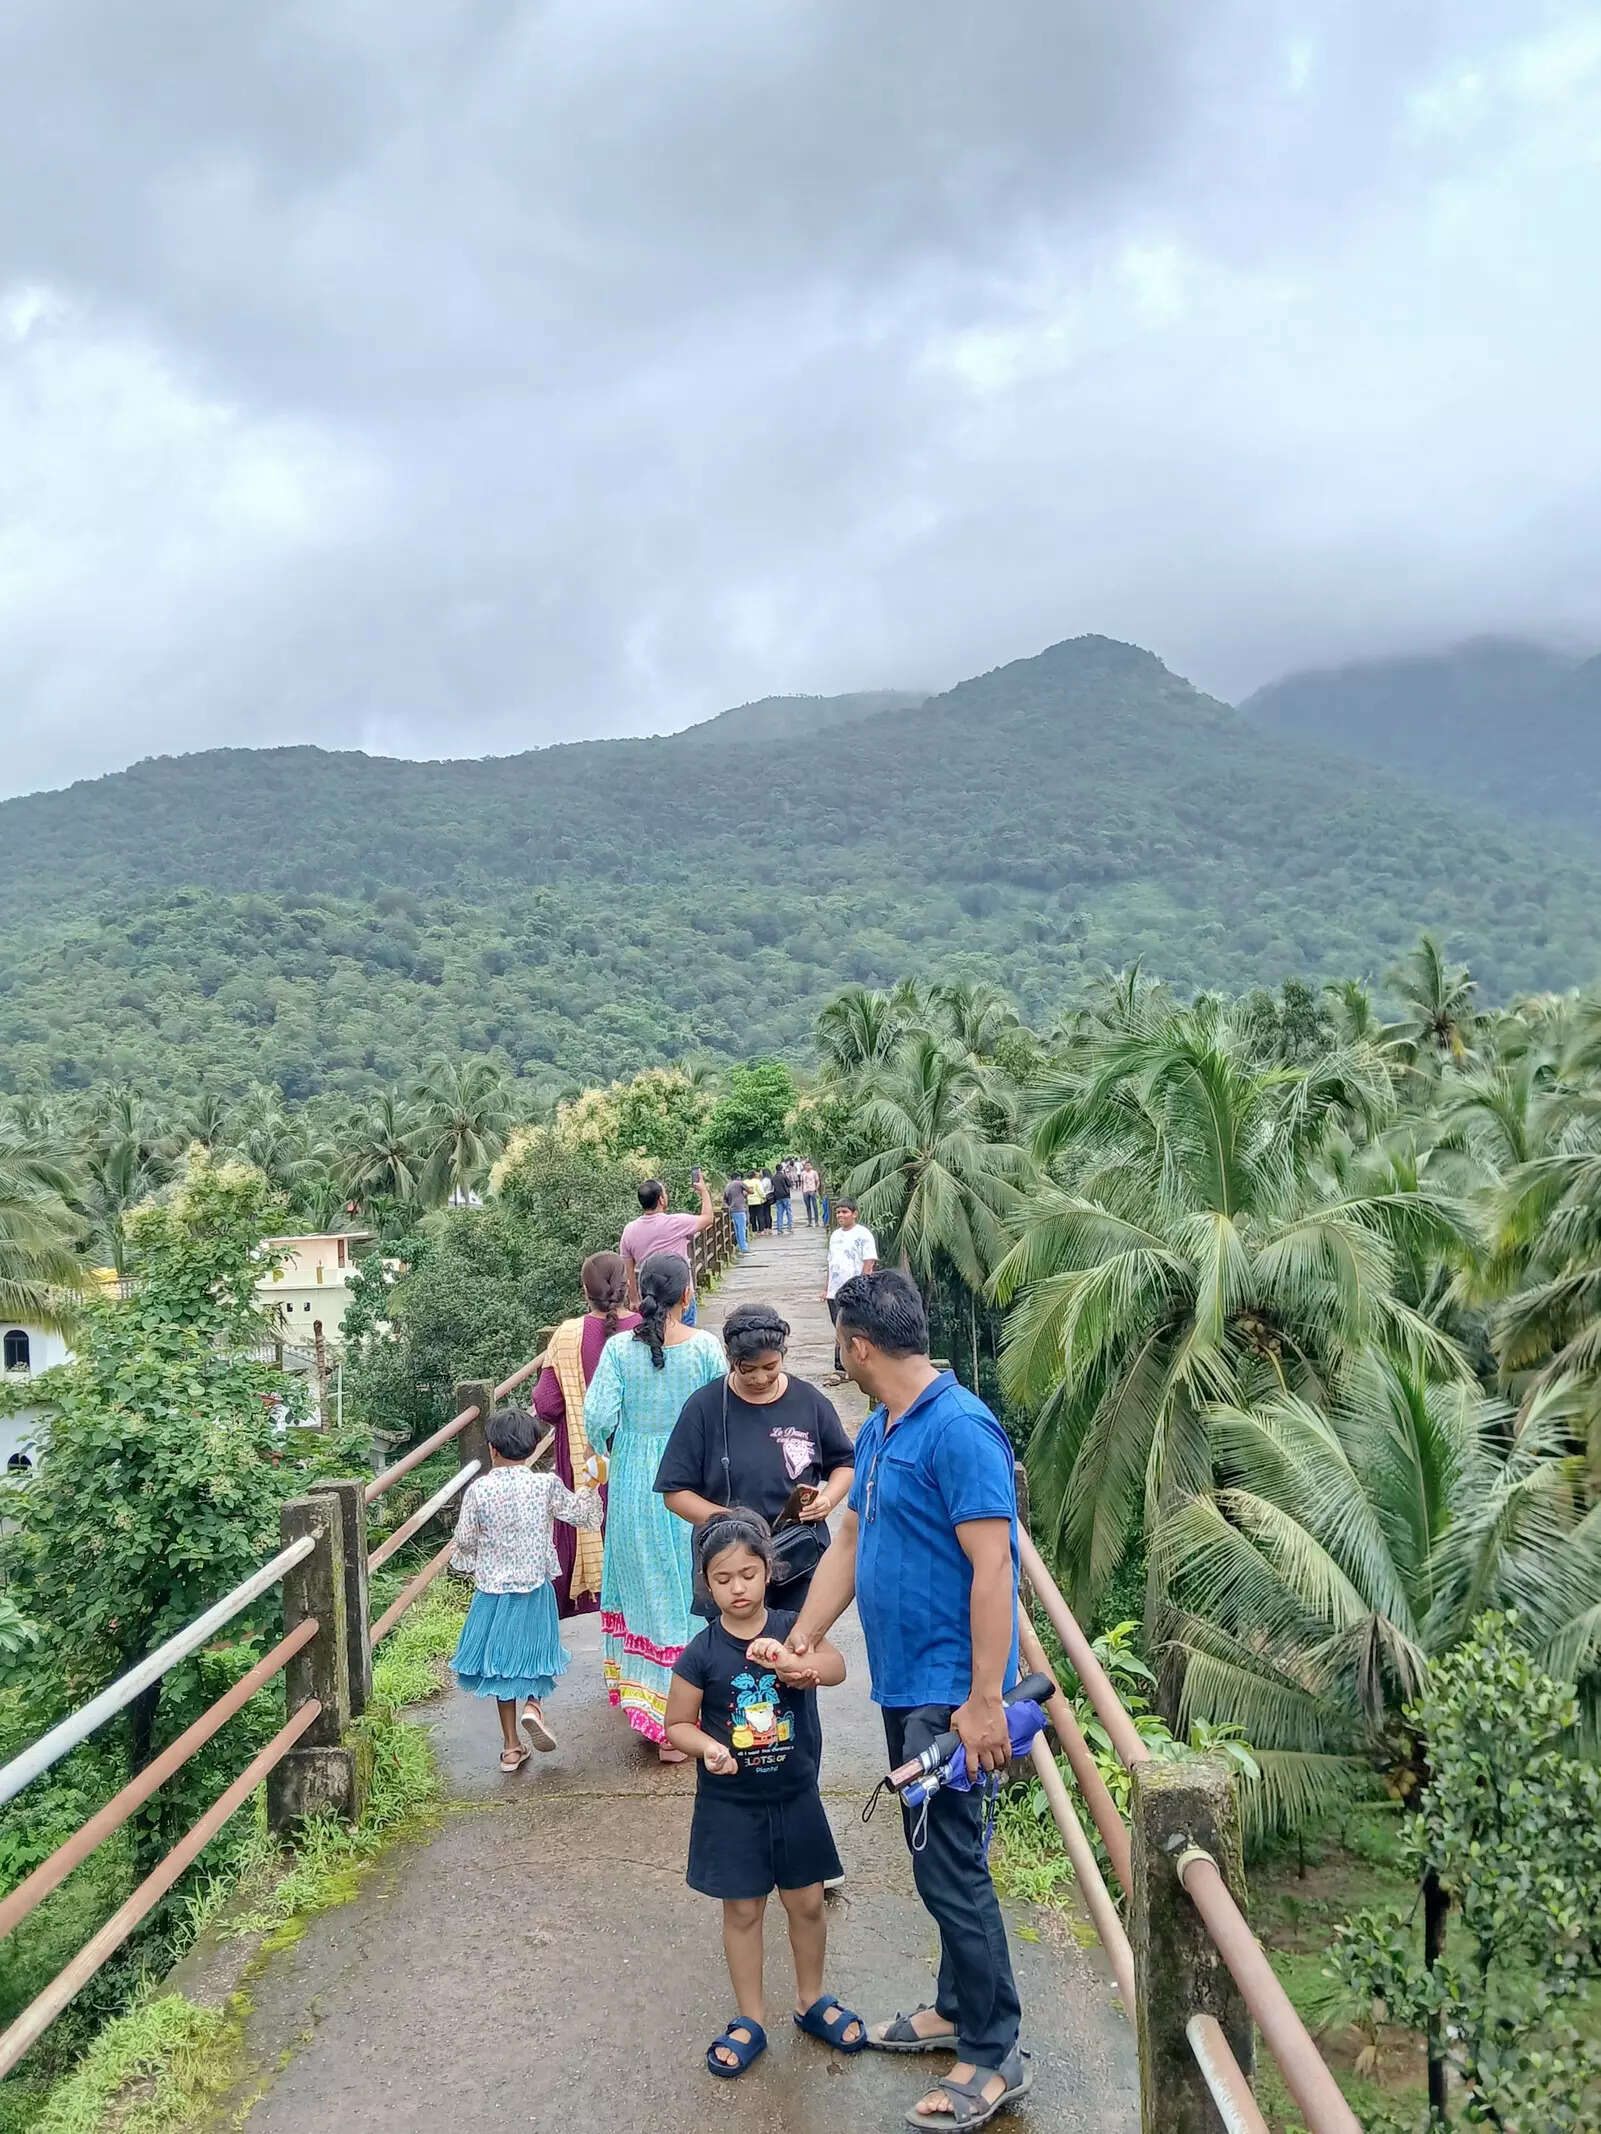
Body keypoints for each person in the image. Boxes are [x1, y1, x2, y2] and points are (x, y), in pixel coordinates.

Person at [782, 1271, 1030, 2128]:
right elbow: (850, 1538)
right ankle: (956, 2008)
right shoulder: (882, 1427)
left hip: (948, 1696)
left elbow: (994, 1567)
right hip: (904, 1684)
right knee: (935, 1861)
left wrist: (984, 1699)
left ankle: (993, 2052)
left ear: (858, 1347)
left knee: (951, 1868)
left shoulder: (958, 1430)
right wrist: (805, 1636)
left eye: (837, 1345)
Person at [665, 1510, 864, 2079]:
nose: (738, 1588)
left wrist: (802, 1666)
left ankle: (811, 2000)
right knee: (744, 1910)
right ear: (707, 1585)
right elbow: (676, 1723)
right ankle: (750, 2018)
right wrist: (708, 1747)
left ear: (768, 1570)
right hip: (732, 1805)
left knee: (807, 1903)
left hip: (796, 1794)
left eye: (748, 1574)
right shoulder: (700, 1652)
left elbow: (836, 1665)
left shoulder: (791, 1626)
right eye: (723, 1579)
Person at [585, 1252, 726, 1760]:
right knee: (693, 1583)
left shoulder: (619, 1350)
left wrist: (603, 1451)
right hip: (694, 1475)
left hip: (636, 1481)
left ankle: (660, 1716)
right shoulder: (705, 1347)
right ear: (688, 1294)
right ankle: (698, 1708)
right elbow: (724, 1408)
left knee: (648, 1587)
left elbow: (597, 1415)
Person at [654, 1301, 854, 1614]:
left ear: (783, 1355)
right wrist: (731, 1521)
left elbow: (845, 1463)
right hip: (731, 1562)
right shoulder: (704, 1407)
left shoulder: (809, 1401)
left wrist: (827, 1500)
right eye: (748, 1369)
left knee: (798, 1639)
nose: (760, 1378)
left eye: (770, 1367)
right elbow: (675, 1493)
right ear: (730, 1359)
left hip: (798, 1556)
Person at [448, 1404, 604, 1771]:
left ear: (492, 1449)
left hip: (493, 1594)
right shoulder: (544, 1485)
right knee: (537, 1653)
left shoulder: (479, 1490)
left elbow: (464, 1539)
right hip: (535, 1587)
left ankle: (510, 1748)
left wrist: (473, 1558)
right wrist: (592, 1484)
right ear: (533, 1447)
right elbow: (580, 1515)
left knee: (501, 1667)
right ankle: (534, 1706)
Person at [530, 1252, 639, 1619]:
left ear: (584, 1291)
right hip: (640, 1454)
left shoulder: (567, 1336)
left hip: (586, 1460)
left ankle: (592, 1601)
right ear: (627, 1286)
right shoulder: (648, 1329)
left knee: (589, 1521)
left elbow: (547, 1404)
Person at [619, 1174, 716, 1324]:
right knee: (685, 1335)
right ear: (661, 1200)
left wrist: (634, 1299)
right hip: (680, 1297)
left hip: (650, 1299)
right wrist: (703, 1191)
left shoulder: (629, 1230)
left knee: (654, 1335)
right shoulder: (676, 1222)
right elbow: (708, 1218)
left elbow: (628, 1269)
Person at [822, 1197, 877, 1385]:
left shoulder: (863, 1234)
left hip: (853, 1292)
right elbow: (831, 1264)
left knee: (854, 1328)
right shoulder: (835, 1236)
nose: (840, 1215)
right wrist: (826, 1288)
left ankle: (852, 1367)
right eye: (838, 1212)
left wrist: (862, 1288)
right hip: (834, 1292)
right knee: (839, 1329)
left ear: (854, 1214)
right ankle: (841, 1367)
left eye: (844, 1212)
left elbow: (868, 1262)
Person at [723, 1171, 749, 1254]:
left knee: (737, 1230)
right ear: (738, 1177)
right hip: (740, 1209)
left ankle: (741, 1246)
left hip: (732, 1210)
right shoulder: (739, 1183)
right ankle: (744, 1248)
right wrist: (744, 1194)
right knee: (742, 1229)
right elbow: (750, 1191)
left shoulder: (727, 1186)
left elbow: (725, 1199)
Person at [773, 1160, 794, 1235]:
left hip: (777, 1197)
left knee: (779, 1213)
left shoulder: (774, 1177)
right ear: (782, 1169)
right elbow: (789, 1184)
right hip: (785, 1196)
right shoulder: (784, 1176)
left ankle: (779, 1229)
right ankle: (790, 1227)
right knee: (788, 1212)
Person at [747, 1169, 770, 1235]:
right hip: (758, 1201)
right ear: (754, 1175)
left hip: (749, 1201)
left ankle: (754, 1230)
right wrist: (764, 1197)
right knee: (760, 1216)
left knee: (752, 1216)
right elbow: (760, 1191)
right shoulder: (757, 1181)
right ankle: (761, 1230)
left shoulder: (745, 1182)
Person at [800, 1160, 821, 1228]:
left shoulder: (814, 1172)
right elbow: (802, 1182)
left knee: (815, 1206)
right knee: (808, 1207)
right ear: (804, 1166)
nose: (808, 1166)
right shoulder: (803, 1173)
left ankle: (816, 1222)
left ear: (811, 1166)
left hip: (812, 1190)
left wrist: (816, 1189)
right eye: (806, 1165)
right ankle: (810, 1222)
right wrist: (802, 1190)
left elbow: (818, 1181)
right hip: (805, 1191)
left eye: (809, 1165)